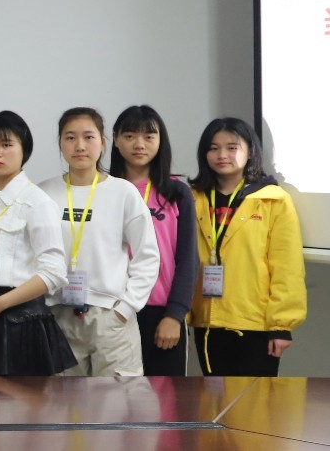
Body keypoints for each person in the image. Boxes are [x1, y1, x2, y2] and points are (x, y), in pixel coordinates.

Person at [38, 108, 159, 377]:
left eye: (88, 137)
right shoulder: (43, 193)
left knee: (118, 399)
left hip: (111, 315)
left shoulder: (123, 192)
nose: (80, 146)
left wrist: (126, 308)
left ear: (103, 142)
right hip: (57, 314)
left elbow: (147, 256)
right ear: (60, 143)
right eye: (70, 137)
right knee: (62, 399)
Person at [0, 111, 76, 376]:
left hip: (21, 321)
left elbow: (54, 272)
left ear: (24, 149)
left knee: (17, 400)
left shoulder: (37, 202)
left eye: (6, 144)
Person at [188, 118, 305, 377]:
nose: (222, 155)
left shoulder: (273, 200)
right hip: (207, 321)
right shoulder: (192, 198)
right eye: (213, 148)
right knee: (215, 399)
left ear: (250, 151)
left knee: (255, 401)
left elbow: (287, 268)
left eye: (232, 147)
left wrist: (281, 325)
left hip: (256, 324)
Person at [109, 105, 198, 376]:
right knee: (113, 395)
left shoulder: (177, 192)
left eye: (149, 137)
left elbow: (187, 259)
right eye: (129, 136)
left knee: (163, 397)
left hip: (161, 311)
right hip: (112, 310)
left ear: (161, 141)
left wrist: (175, 314)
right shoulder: (102, 190)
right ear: (115, 140)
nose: (139, 144)